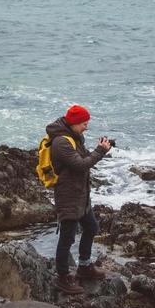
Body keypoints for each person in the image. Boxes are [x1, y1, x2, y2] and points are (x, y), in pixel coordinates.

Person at [46, 104, 113, 295]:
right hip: (68, 196)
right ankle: (62, 277)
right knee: (67, 237)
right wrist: (99, 151)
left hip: (81, 194)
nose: (86, 127)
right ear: (74, 123)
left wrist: (99, 149)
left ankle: (84, 266)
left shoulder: (75, 136)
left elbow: (82, 158)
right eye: (84, 123)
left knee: (91, 227)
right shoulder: (61, 142)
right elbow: (80, 165)